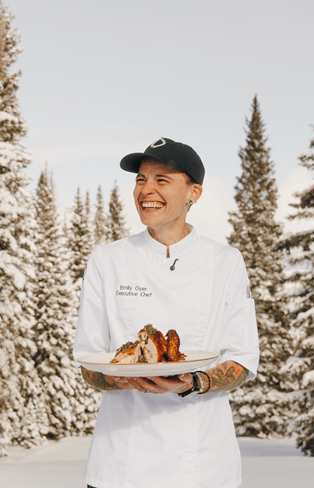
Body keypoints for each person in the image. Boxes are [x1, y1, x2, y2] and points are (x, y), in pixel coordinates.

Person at [73, 137, 259, 488]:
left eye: (162, 180)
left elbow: (243, 360)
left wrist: (195, 382)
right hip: (120, 466)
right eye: (141, 180)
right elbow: (88, 362)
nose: (147, 190)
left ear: (194, 193)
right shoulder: (107, 260)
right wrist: (124, 378)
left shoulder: (225, 262)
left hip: (202, 465)